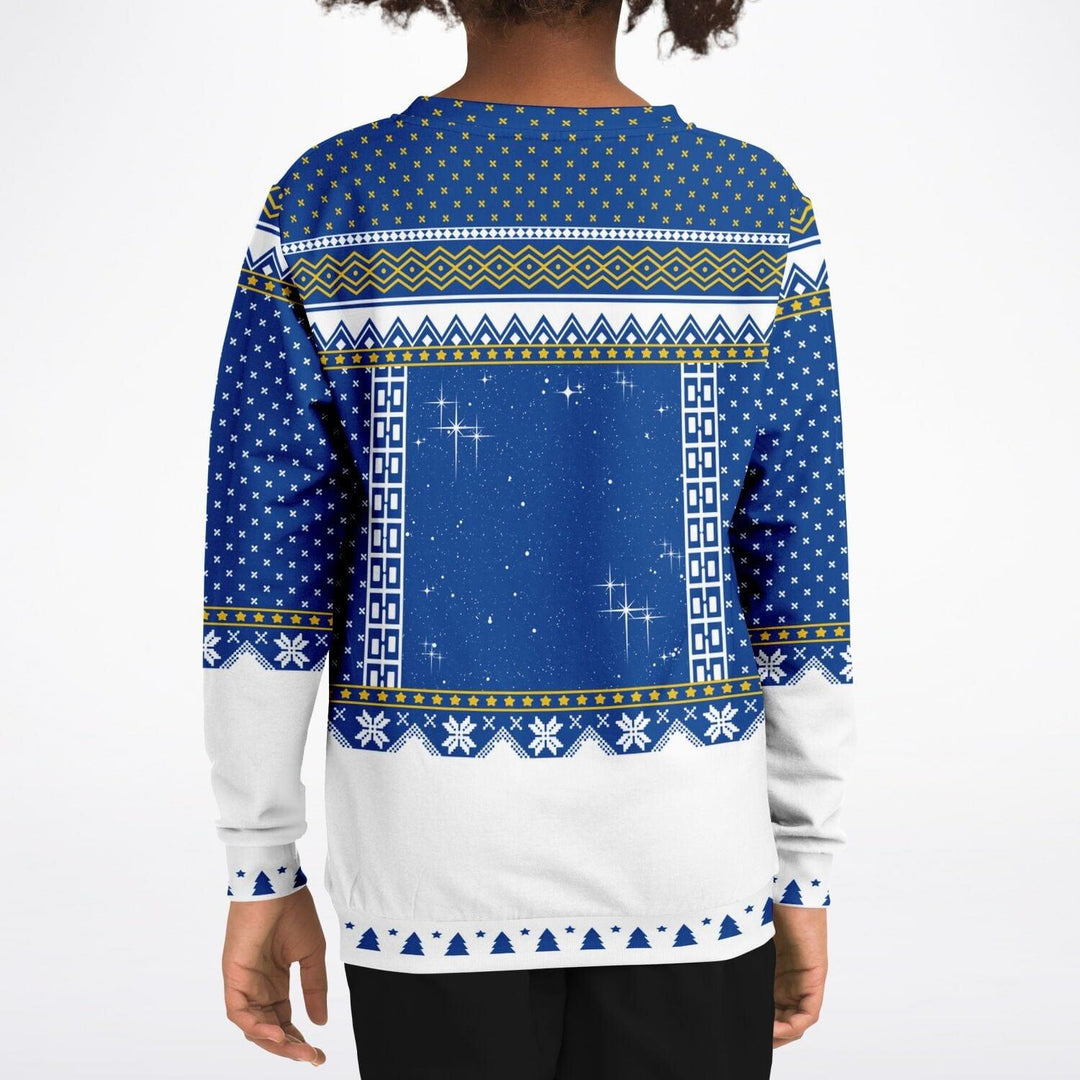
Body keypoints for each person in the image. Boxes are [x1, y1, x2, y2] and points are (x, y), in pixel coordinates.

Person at [201, 0, 856, 1074]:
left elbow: (264, 568)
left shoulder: (330, 201)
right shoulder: (751, 208)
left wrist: (261, 861)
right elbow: (798, 568)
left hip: (426, 874)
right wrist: (806, 866)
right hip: (691, 865)